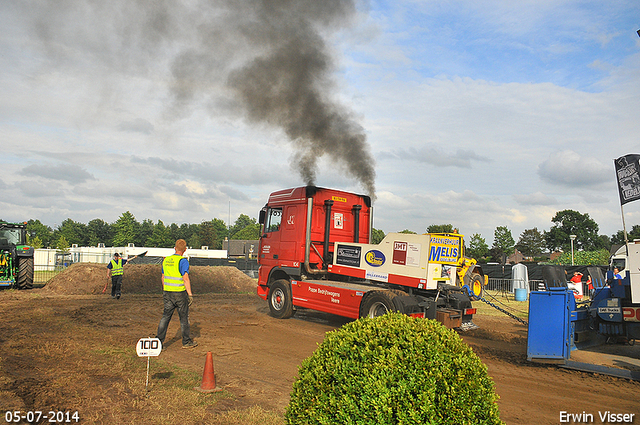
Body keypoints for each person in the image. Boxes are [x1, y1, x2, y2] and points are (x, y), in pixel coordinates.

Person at [156, 239, 198, 349]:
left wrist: (165, 289)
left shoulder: (166, 260)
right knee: (184, 318)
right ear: (185, 250)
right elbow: (185, 278)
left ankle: (159, 342)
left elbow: (163, 277)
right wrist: (190, 294)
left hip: (168, 293)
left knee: (165, 317)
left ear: (175, 248)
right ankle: (186, 341)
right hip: (179, 293)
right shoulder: (183, 261)